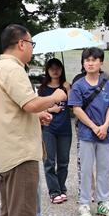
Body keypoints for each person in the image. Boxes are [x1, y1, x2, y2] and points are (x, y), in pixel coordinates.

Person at [0, 24, 66, 216]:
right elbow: (30, 103)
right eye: (31, 43)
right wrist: (56, 96)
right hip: (19, 155)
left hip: (5, 153)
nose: (32, 48)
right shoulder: (13, 70)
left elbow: (12, 108)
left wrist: (37, 115)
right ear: (21, 44)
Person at [69, 47, 109, 216]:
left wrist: (105, 126)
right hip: (86, 133)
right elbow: (76, 109)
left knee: (104, 169)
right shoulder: (78, 85)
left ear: (101, 63)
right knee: (85, 169)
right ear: (83, 64)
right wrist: (93, 127)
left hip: (105, 133)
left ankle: (103, 202)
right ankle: (84, 203)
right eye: (87, 60)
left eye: (93, 60)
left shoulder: (108, 84)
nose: (90, 63)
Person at [39, 58, 72, 204]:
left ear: (61, 70)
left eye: (57, 67)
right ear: (47, 70)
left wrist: (68, 89)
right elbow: (38, 108)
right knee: (49, 161)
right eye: (51, 68)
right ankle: (54, 191)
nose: (55, 71)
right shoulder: (43, 89)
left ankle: (61, 188)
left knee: (64, 161)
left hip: (65, 129)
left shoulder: (66, 87)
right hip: (48, 129)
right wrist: (51, 109)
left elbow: (74, 105)